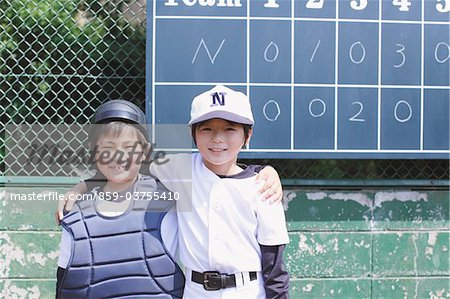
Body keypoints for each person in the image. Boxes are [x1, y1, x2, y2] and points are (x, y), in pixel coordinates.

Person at [149, 85, 290, 298]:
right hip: (196, 291)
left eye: (229, 129)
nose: (217, 138)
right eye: (207, 129)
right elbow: (129, 165)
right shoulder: (182, 168)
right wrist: (84, 187)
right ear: (193, 134)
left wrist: (267, 170)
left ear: (247, 134)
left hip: (248, 291)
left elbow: (275, 267)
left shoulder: (263, 186)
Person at [56, 100, 185, 298]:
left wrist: (251, 173)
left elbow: (213, 176)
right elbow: (65, 282)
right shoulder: (76, 212)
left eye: (128, 147)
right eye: (108, 147)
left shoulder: (168, 198)